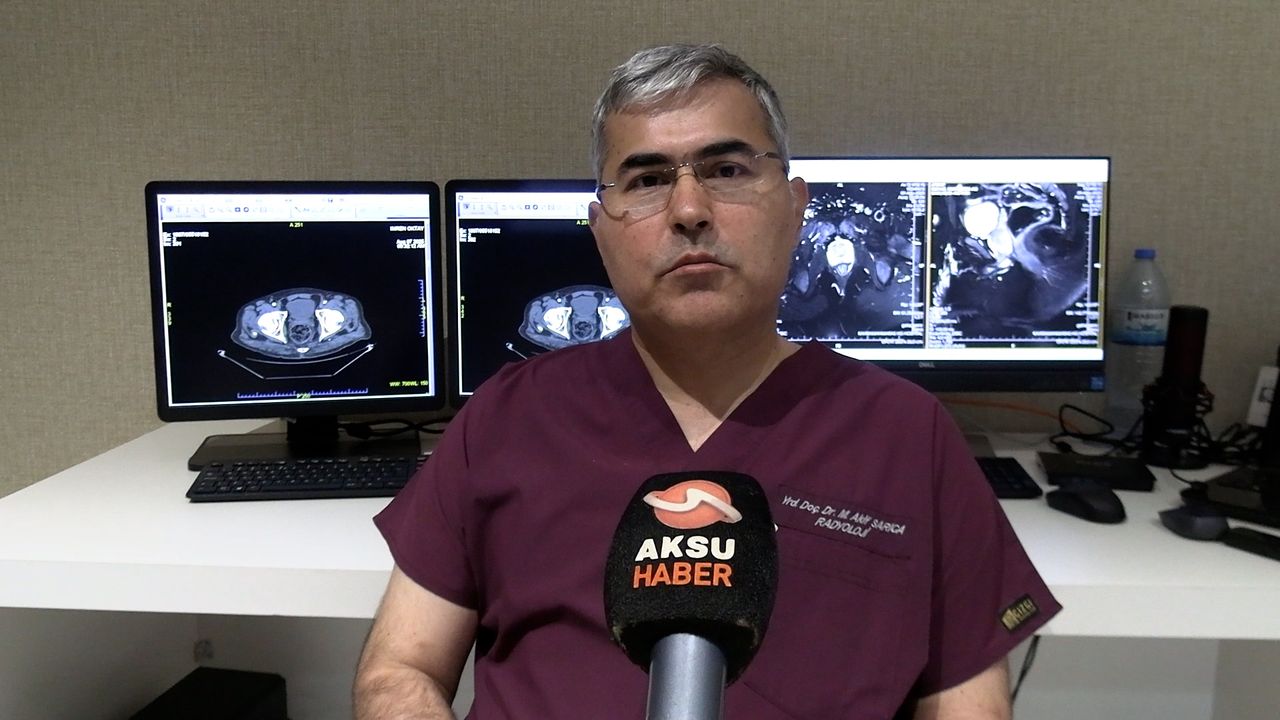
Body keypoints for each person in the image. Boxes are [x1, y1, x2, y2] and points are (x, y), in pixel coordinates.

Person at [355, 43, 1060, 720]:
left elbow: (967, 702)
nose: (689, 211)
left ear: (795, 205)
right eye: (647, 180)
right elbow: (401, 670)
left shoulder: (905, 434)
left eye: (726, 170)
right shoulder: (506, 416)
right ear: (600, 230)